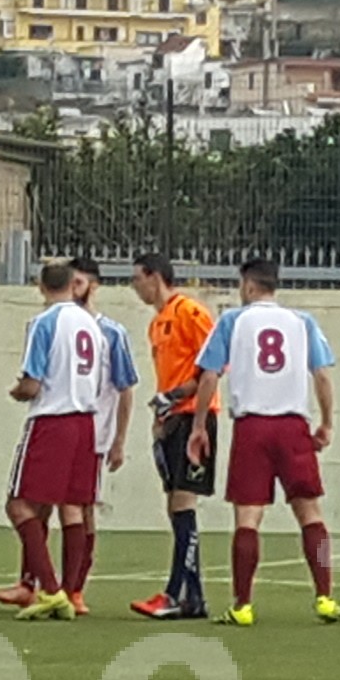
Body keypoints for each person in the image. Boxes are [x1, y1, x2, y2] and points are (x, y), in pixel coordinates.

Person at [204, 257, 340, 625]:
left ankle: (242, 604)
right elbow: (322, 376)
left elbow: (210, 376)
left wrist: (201, 425)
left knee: (248, 517)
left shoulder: (233, 321)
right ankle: (326, 596)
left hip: (252, 427)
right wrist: (326, 422)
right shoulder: (302, 322)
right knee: (311, 513)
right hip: (293, 425)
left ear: (248, 286)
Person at [6, 259, 136, 619]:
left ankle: (50, 589)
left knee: (19, 505)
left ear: (40, 285)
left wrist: (17, 392)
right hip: (87, 422)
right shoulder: (93, 327)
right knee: (74, 505)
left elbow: (32, 383)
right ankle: (69, 589)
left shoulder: (44, 323)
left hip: (52, 419)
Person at [127, 254, 220, 619]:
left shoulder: (190, 313)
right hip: (171, 420)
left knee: (184, 504)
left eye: (138, 279)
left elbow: (213, 368)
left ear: (155, 277)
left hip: (195, 420)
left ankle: (172, 594)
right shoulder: (157, 323)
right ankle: (193, 598)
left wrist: (178, 398)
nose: (135, 287)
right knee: (175, 505)